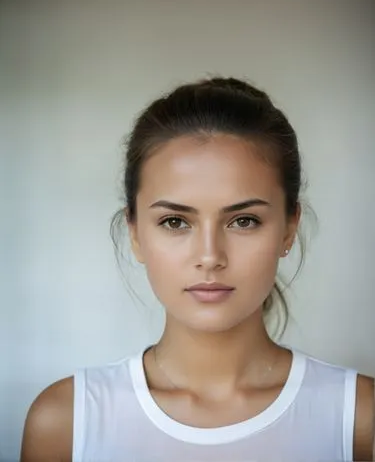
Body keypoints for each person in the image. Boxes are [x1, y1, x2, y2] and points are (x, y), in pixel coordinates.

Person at [21, 77, 374, 461]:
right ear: (135, 233)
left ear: (290, 228)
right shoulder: (66, 423)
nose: (210, 256)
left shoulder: (359, 419)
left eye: (244, 221)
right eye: (175, 221)